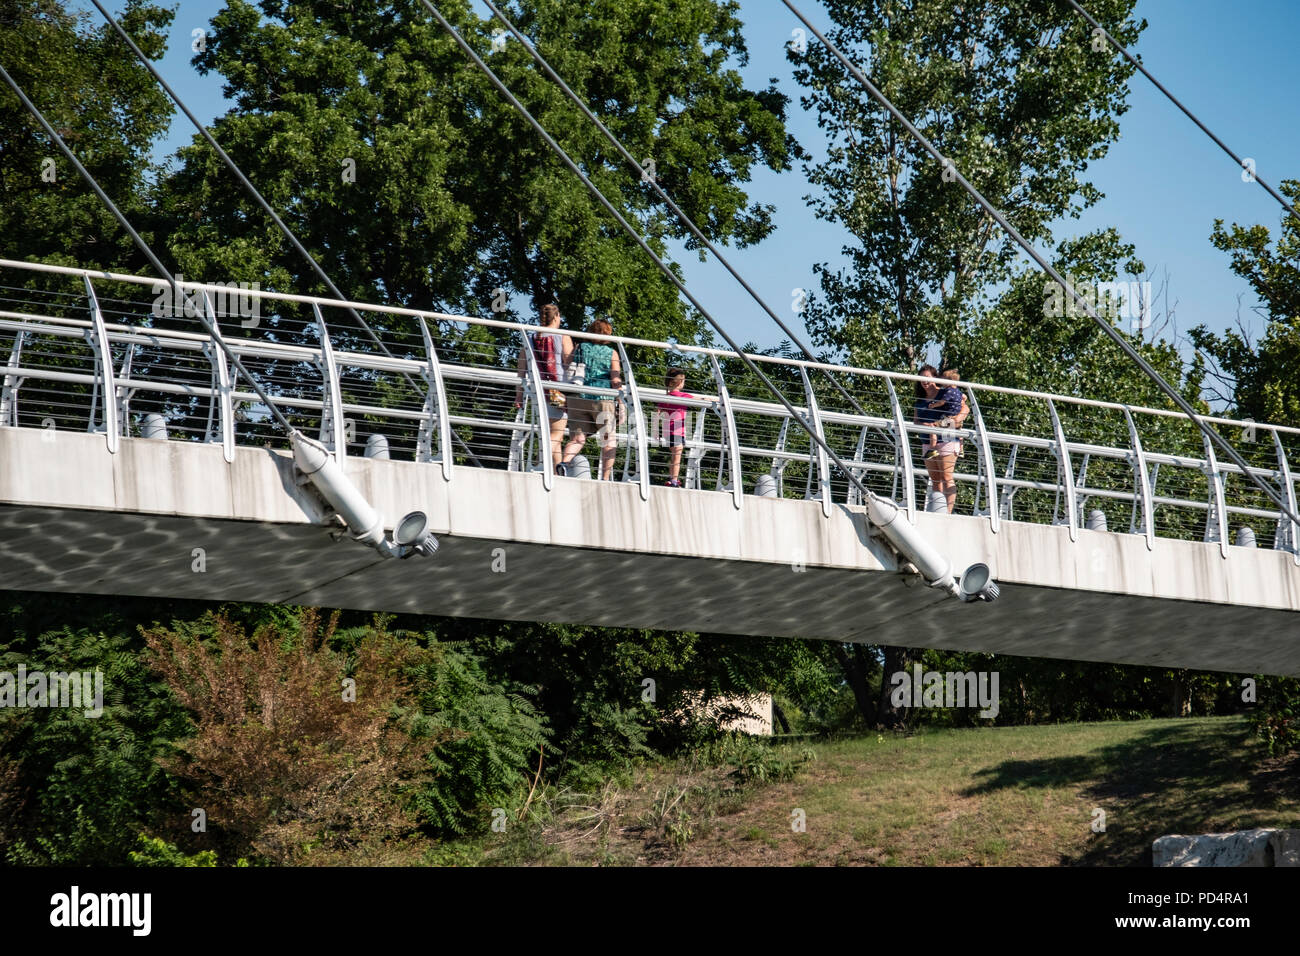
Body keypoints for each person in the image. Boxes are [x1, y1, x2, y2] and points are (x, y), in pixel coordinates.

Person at [562, 317, 622, 480]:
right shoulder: (612, 352)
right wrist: (621, 402)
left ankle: (564, 463)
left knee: (577, 439)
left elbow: (568, 366)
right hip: (602, 398)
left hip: (578, 397)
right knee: (608, 440)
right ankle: (604, 478)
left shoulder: (580, 347)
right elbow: (615, 379)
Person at [514, 303, 573, 466]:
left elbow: (521, 368)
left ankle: (556, 473)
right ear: (556, 317)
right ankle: (541, 460)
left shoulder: (531, 338)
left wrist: (519, 394)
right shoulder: (562, 336)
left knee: (552, 435)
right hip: (558, 392)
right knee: (557, 435)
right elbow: (569, 364)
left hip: (538, 392)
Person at [913, 365, 965, 513]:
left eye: (927, 378)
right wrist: (924, 425)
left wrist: (953, 422)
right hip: (927, 442)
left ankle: (947, 513)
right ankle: (938, 511)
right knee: (935, 479)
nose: (925, 381)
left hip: (947, 438)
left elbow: (964, 408)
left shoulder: (945, 392)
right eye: (922, 378)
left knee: (947, 476)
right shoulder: (920, 401)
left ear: (935, 378)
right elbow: (916, 420)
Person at [660, 367, 692, 487]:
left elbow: (658, 411)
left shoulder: (666, 397)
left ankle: (671, 479)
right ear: (679, 383)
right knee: (677, 456)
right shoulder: (683, 396)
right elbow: (700, 399)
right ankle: (674, 480)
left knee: (674, 455)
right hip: (678, 431)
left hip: (668, 431)